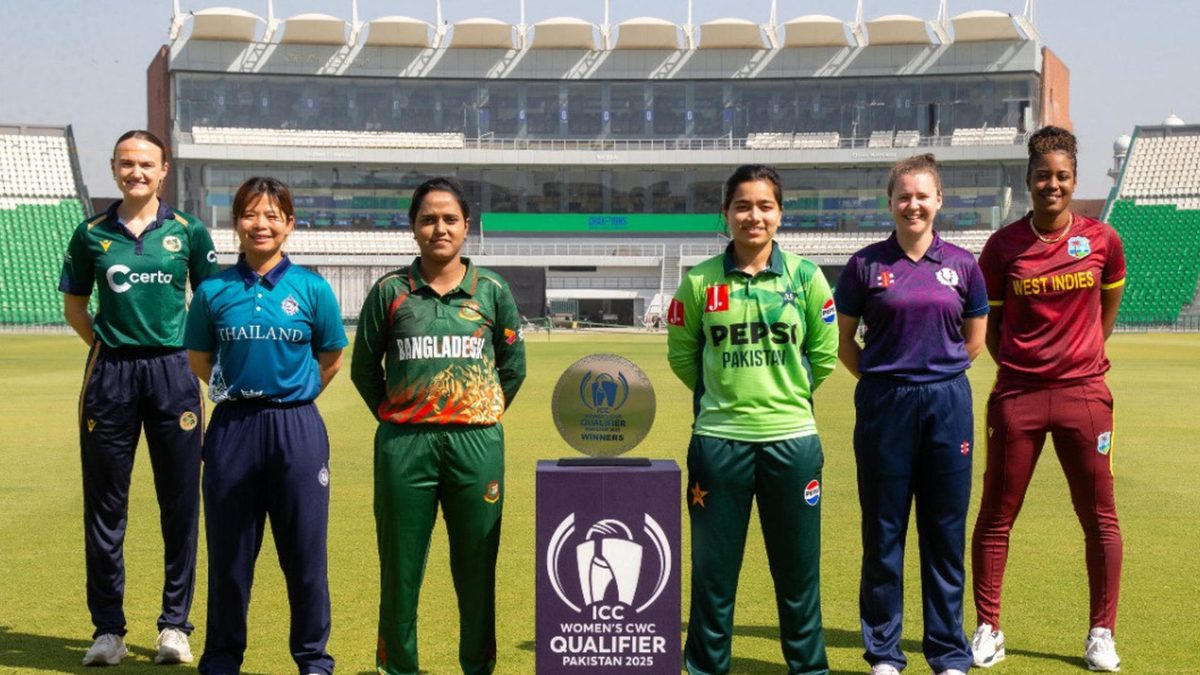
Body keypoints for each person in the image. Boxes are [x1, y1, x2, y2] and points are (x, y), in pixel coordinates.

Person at [666, 164, 839, 675]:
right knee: (714, 575)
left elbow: (824, 355)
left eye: (765, 206)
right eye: (743, 205)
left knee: (798, 575)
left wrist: (783, 398)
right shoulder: (699, 282)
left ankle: (808, 669)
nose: (753, 216)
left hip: (793, 442)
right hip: (720, 445)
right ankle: (705, 669)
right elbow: (682, 355)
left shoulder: (806, 277)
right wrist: (725, 400)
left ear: (780, 214)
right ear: (726, 214)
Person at [351, 176, 527, 675]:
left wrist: (480, 410)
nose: (439, 228)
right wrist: (401, 413)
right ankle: (399, 667)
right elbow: (365, 369)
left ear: (466, 226)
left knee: (476, 564)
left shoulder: (491, 290)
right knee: (401, 569)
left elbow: (513, 367)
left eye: (450, 219)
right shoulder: (390, 290)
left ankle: (477, 665)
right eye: (428, 219)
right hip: (405, 445)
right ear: (413, 228)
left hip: (477, 443)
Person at [970, 126, 1127, 672]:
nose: (1052, 185)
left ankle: (1101, 633)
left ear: (1074, 180)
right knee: (996, 516)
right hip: (1018, 395)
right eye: (1043, 176)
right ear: (1029, 181)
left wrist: (1079, 357)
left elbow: (1106, 314)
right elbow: (990, 326)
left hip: (1085, 395)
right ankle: (989, 628)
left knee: (1099, 518)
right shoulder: (1002, 246)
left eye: (1061, 176)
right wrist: (1023, 362)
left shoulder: (1102, 240)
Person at [59, 129, 217, 666]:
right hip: (111, 376)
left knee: (180, 501)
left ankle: (175, 627)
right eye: (127, 164)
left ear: (164, 168)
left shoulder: (189, 232)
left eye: (146, 163)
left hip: (174, 372)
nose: (136, 172)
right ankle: (108, 631)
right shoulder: (91, 235)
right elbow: (76, 307)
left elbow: (211, 301)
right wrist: (111, 346)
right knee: (106, 506)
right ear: (114, 169)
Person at [184, 176, 346, 674]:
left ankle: (313, 659)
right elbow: (199, 359)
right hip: (233, 428)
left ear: (290, 224)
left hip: (296, 428)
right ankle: (222, 658)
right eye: (251, 214)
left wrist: (290, 396)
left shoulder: (312, 288)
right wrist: (243, 393)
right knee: (231, 554)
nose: (262, 224)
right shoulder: (213, 292)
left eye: (273, 215)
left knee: (304, 554)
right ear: (236, 223)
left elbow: (332, 357)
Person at [834, 154, 988, 675]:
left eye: (923, 195)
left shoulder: (964, 264)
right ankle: (884, 652)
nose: (913, 204)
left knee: (944, 530)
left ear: (939, 200)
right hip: (884, 404)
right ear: (891, 203)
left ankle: (947, 652)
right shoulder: (865, 265)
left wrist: (933, 375)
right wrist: (887, 379)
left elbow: (975, 341)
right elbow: (845, 344)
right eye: (904, 196)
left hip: (947, 404)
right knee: (884, 531)